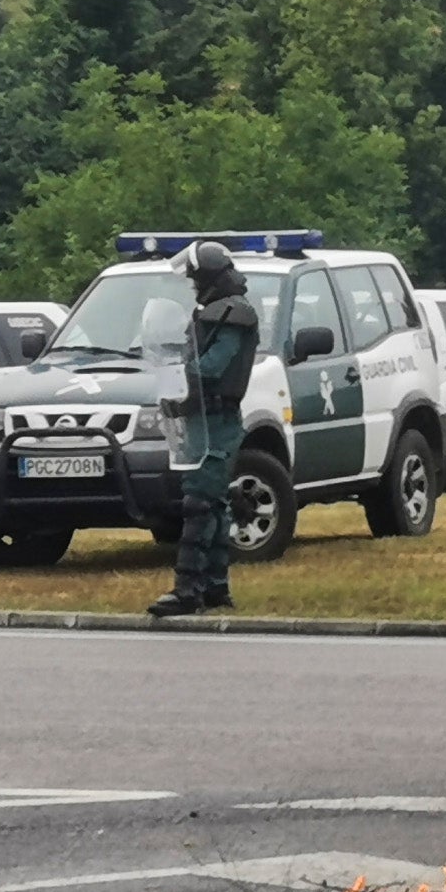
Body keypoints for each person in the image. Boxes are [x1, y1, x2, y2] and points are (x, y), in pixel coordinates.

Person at [149, 241, 261, 619]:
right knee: (212, 504)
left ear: (209, 277)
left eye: (195, 278)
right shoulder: (216, 313)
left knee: (200, 503)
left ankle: (188, 590)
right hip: (202, 418)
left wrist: (176, 378)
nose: (193, 286)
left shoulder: (233, 315)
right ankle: (214, 588)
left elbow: (211, 367)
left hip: (217, 421)